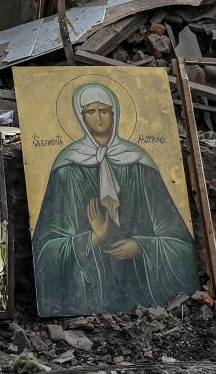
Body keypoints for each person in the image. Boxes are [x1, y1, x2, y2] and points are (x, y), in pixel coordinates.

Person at [31, 82, 198, 316]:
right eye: (90, 111)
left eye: (103, 110)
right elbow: (46, 246)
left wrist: (142, 245)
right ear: (81, 117)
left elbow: (177, 238)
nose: (98, 118)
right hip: (91, 285)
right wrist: (93, 238)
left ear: (115, 113)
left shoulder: (139, 163)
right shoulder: (66, 168)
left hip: (140, 279)